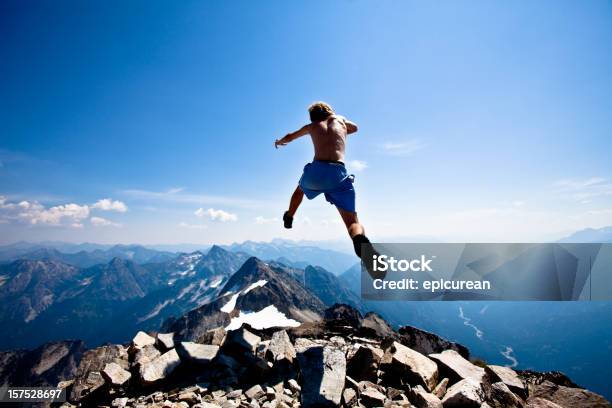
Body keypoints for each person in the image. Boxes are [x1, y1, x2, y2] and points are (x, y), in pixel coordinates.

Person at [274, 101, 374, 262]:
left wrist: (279, 141)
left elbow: (290, 137)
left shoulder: (311, 126)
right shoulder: (340, 120)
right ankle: (359, 240)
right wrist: (341, 128)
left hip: (316, 171)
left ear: (313, 116)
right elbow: (355, 128)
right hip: (337, 174)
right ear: (329, 111)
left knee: (300, 190)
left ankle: (289, 215)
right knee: (352, 222)